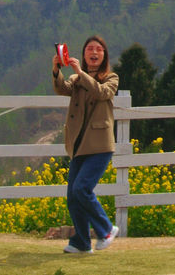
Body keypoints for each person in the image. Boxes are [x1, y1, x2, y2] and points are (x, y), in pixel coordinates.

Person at [52, 35, 120, 254]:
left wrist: (81, 74)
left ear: (104, 55)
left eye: (98, 49)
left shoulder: (111, 77)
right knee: (73, 197)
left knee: (82, 188)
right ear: (83, 55)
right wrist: (56, 69)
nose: (94, 52)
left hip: (100, 146)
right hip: (78, 144)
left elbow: (102, 92)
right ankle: (81, 242)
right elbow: (62, 88)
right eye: (90, 48)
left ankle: (106, 229)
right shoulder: (76, 78)